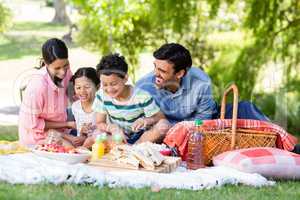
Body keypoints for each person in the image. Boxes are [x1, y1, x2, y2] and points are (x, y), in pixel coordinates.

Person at [92, 53, 170, 144]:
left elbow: (161, 117)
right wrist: (113, 128)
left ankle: (135, 148)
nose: (109, 89)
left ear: (125, 78)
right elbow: (99, 122)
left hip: (141, 136)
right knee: (96, 134)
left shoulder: (141, 96)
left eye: (113, 84)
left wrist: (146, 120)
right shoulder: (101, 95)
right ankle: (122, 147)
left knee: (164, 125)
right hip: (118, 136)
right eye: (105, 84)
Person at [136, 43, 218, 124]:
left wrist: (179, 128)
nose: (156, 74)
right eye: (155, 67)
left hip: (194, 127)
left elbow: (202, 121)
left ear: (179, 74)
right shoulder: (143, 87)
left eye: (162, 71)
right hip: (164, 129)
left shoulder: (201, 83)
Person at [18, 38, 76, 146]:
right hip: (37, 138)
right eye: (57, 68)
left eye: (65, 65)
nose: (63, 72)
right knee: (72, 150)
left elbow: (74, 95)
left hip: (61, 132)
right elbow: (31, 124)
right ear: (46, 64)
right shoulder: (38, 86)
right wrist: (68, 124)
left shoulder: (66, 73)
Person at [69, 67, 100, 148]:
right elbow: (80, 132)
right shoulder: (75, 107)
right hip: (83, 145)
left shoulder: (101, 105)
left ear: (97, 87)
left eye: (87, 87)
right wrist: (82, 132)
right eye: (78, 88)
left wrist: (86, 137)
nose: (82, 91)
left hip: (99, 144)